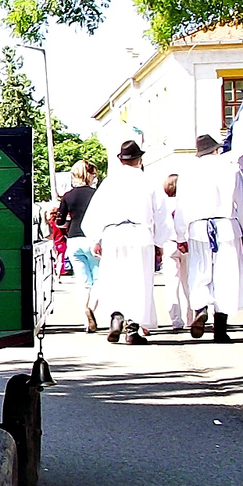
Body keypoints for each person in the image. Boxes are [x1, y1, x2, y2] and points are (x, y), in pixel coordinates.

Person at [80, 138, 170, 344]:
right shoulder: (148, 180)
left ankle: (116, 316)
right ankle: (132, 328)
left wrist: (96, 238)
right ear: (139, 160)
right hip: (140, 233)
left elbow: (94, 213)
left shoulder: (109, 182)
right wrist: (159, 241)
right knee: (139, 281)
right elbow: (161, 213)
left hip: (113, 234)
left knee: (114, 278)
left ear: (121, 160)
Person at [174, 133, 243, 342]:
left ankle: (200, 308)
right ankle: (220, 326)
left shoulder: (188, 172)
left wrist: (181, 235)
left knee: (199, 271)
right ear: (216, 149)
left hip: (198, 227)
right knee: (226, 275)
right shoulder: (230, 167)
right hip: (226, 225)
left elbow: (181, 207)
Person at [56, 159, 99, 331]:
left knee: (82, 282)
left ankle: (85, 320)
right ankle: (91, 310)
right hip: (93, 239)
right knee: (99, 279)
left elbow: (60, 221)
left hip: (73, 239)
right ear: (89, 174)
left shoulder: (68, 196)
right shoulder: (96, 194)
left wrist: (68, 223)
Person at [160, 174, 193, 333]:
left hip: (169, 243)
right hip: (186, 243)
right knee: (188, 283)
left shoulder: (163, 203)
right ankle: (190, 317)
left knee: (171, 284)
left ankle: (175, 319)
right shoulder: (185, 202)